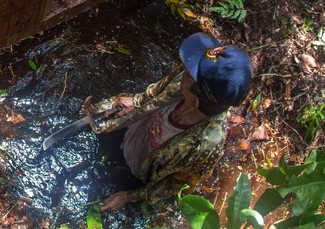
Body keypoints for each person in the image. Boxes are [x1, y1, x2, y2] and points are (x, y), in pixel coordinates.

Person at [80, 32, 253, 211]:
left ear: (194, 101)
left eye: (189, 73)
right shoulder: (191, 81)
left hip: (138, 170)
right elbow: (160, 88)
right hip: (133, 132)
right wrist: (137, 101)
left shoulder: (204, 147)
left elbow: (176, 186)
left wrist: (129, 196)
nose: (185, 69)